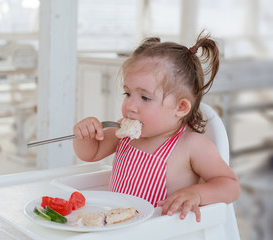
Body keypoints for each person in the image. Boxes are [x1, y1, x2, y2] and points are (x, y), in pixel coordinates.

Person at [72, 31, 240, 222]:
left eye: (145, 97)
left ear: (181, 107)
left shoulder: (192, 146)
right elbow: (91, 153)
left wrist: (197, 194)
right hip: (118, 229)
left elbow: (230, 185)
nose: (130, 106)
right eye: (128, 94)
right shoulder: (122, 131)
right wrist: (84, 137)